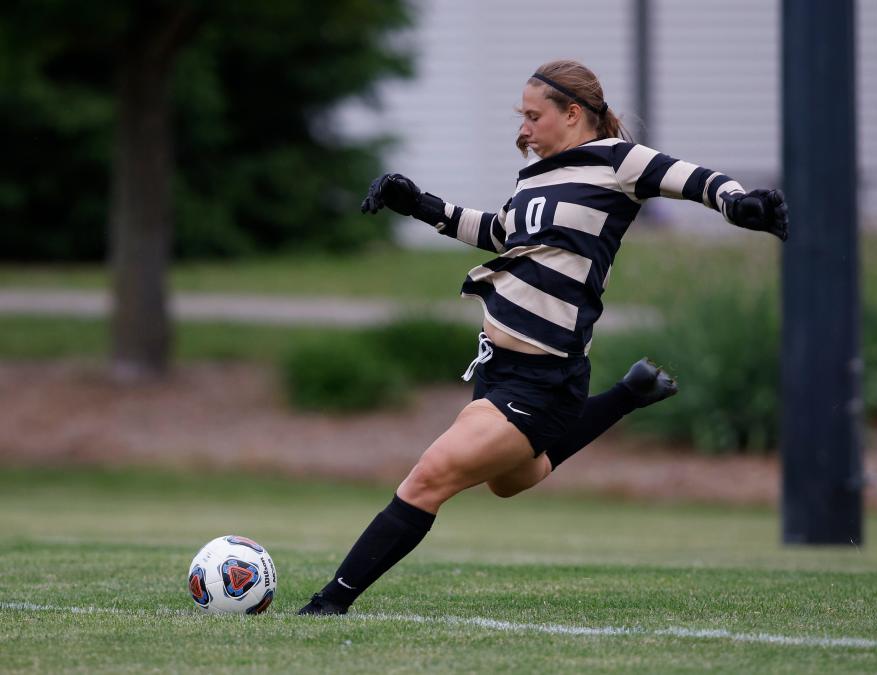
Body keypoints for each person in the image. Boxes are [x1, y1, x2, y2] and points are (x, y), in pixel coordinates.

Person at [299, 59, 788, 616]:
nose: (523, 130)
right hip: (495, 371)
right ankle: (627, 395)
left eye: (533, 116)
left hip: (543, 380)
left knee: (429, 477)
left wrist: (737, 202)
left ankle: (328, 604)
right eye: (522, 117)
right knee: (510, 480)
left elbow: (694, 179)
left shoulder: (618, 162)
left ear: (573, 113)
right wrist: (419, 204)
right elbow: (500, 233)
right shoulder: (535, 178)